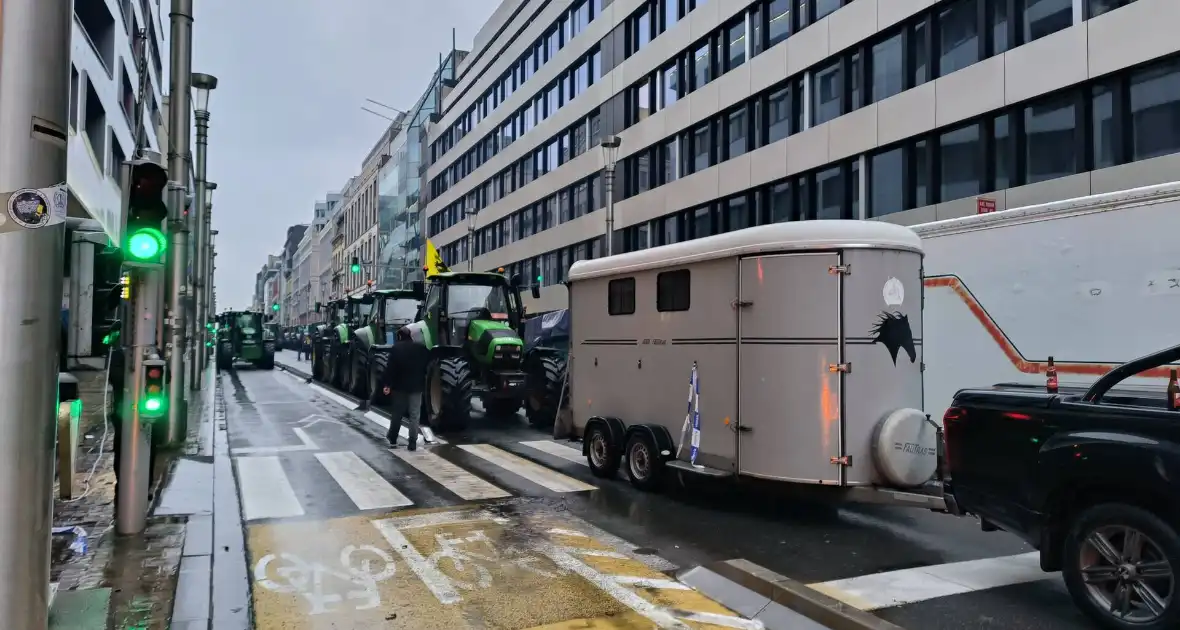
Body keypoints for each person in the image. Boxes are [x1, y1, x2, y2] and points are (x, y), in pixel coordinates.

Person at [385, 327, 429, 450]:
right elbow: (427, 365)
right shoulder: (420, 348)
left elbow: (391, 369)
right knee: (414, 415)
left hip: (400, 387)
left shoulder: (396, 349)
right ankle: (412, 442)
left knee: (397, 414)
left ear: (399, 336)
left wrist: (387, 385)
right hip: (416, 387)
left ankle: (393, 438)